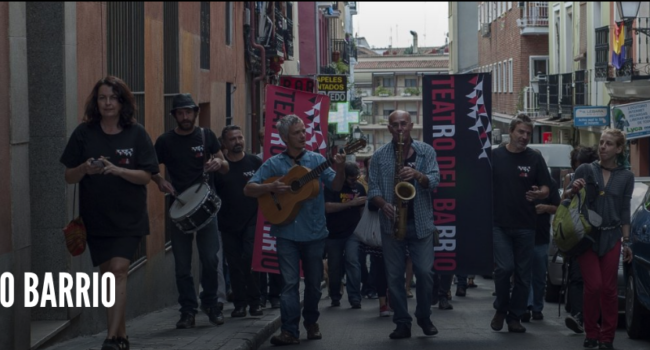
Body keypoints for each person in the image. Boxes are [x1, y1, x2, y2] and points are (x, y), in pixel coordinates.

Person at [60, 76, 159, 350]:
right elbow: (69, 176)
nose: (107, 103)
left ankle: (110, 338)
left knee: (119, 269)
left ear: (122, 102)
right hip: (97, 218)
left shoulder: (136, 134)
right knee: (108, 276)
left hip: (129, 217)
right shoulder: (84, 133)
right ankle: (122, 336)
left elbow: (146, 176)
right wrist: (84, 169)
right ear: (96, 102)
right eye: (102, 98)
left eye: (113, 98)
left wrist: (117, 169)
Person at [244, 114, 346, 345]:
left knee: (312, 284)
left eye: (303, 131)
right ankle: (290, 330)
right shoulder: (273, 163)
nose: (303, 135)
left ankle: (311, 322)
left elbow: (337, 185)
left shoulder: (317, 160)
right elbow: (248, 189)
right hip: (286, 233)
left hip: (314, 233)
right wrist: (270, 186)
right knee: (289, 284)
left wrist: (339, 169)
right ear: (285, 138)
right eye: (297, 133)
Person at [152, 93, 229, 329]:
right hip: (179, 208)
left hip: (206, 208)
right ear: (175, 115)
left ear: (195, 113)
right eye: (180, 113)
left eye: (188, 112)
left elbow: (224, 164)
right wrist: (159, 181)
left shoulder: (206, 136)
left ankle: (210, 303)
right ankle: (187, 311)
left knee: (209, 259)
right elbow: (151, 168)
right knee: (182, 265)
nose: (185, 117)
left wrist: (218, 163)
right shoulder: (164, 141)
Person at [367, 110, 440, 339]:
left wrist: (417, 175)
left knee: (426, 273)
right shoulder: (379, 156)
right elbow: (373, 189)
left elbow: (435, 181)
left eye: (404, 124)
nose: (400, 128)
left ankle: (424, 316)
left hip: (421, 223)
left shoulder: (426, 151)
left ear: (411, 125)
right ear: (389, 128)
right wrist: (383, 204)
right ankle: (401, 322)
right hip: (392, 225)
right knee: (394, 276)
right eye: (395, 125)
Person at [569, 129, 634, 350]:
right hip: (588, 236)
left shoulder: (626, 176)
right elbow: (565, 197)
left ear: (618, 149)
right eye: (602, 142)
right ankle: (591, 332)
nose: (603, 146)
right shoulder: (586, 170)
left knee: (609, 289)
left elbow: (625, 211)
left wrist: (627, 242)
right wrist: (573, 189)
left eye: (609, 144)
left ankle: (607, 338)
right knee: (594, 286)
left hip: (612, 235)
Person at [490, 114, 552, 334]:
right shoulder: (494, 155)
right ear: (511, 131)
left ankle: (515, 317)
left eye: (528, 133)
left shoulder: (534, 158)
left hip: (526, 225)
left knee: (524, 275)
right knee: (505, 268)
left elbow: (547, 188)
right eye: (521, 132)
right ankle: (501, 308)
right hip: (498, 224)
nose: (525, 137)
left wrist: (539, 193)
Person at [214, 125, 264, 317]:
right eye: (233, 139)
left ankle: (255, 302)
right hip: (227, 224)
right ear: (224, 144)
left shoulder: (255, 162)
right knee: (233, 264)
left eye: (240, 138)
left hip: (252, 220)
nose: (237, 142)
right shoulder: (220, 167)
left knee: (250, 259)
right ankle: (240, 304)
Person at [562, 146, 598, 333]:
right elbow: (564, 201)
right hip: (579, 233)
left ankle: (590, 317)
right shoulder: (572, 177)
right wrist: (572, 190)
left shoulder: (602, 175)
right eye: (577, 166)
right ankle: (578, 315)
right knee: (577, 276)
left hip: (599, 233)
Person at [324, 162, 366, 308]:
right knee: (334, 266)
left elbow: (361, 210)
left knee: (353, 261)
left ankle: (355, 297)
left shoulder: (359, 188)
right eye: (351, 179)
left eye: (356, 178)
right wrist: (351, 203)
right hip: (333, 233)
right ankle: (335, 295)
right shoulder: (332, 186)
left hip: (352, 232)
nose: (354, 182)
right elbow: (327, 207)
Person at [522, 165, 560, 322]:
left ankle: (537, 307)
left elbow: (558, 208)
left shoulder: (549, 183)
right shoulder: (521, 180)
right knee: (524, 274)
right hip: (522, 235)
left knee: (539, 276)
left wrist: (546, 207)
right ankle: (526, 306)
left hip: (541, 237)